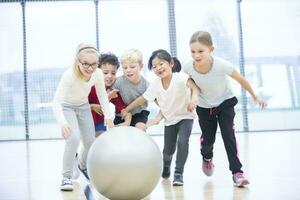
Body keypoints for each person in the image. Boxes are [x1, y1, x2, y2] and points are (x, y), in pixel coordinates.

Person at [184, 31, 267, 187]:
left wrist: (255, 97)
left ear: (211, 50)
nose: (196, 55)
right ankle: (207, 157)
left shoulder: (222, 65)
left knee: (229, 136)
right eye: (193, 52)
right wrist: (193, 96)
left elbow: (241, 79)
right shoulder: (188, 66)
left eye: (201, 51)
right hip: (204, 106)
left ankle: (237, 173)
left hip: (225, 103)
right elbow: (186, 81)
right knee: (209, 139)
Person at [122, 49, 200, 186]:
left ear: (171, 63)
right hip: (169, 120)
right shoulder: (156, 85)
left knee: (183, 142)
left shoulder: (180, 77)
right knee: (168, 151)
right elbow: (142, 99)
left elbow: (194, 87)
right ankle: (166, 166)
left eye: (161, 64)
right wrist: (127, 109)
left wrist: (194, 99)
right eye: (154, 66)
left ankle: (178, 173)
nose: (158, 68)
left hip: (186, 116)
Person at [52, 43, 114, 191]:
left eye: (94, 64)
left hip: (83, 106)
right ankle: (66, 177)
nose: (90, 68)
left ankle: (82, 165)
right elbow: (57, 101)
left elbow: (102, 95)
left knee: (90, 142)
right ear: (77, 62)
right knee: (73, 139)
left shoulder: (97, 74)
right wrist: (62, 123)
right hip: (67, 107)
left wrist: (108, 115)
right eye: (86, 64)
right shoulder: (69, 75)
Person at [88, 52, 132, 137]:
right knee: (87, 144)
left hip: (100, 122)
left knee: (100, 140)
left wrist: (127, 122)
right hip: (85, 121)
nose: (110, 76)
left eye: (113, 73)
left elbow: (123, 108)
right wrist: (92, 106)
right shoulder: (90, 87)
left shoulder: (112, 89)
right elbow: (80, 106)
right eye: (105, 72)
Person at [113, 48, 149, 131]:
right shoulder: (118, 82)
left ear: (141, 66)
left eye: (132, 67)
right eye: (125, 68)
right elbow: (109, 93)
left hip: (139, 114)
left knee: (140, 128)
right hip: (121, 115)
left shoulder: (146, 85)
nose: (128, 70)